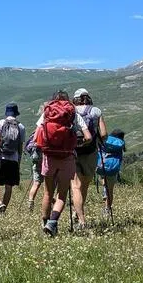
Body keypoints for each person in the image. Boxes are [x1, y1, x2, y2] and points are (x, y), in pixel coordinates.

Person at [33, 90, 91, 237]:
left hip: (49, 156)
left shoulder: (47, 113)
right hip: (67, 157)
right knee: (62, 195)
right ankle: (53, 222)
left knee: (47, 193)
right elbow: (88, 137)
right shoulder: (73, 113)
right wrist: (76, 144)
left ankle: (45, 224)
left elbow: (36, 136)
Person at [70, 88, 107, 230]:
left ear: (76, 99)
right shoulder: (96, 111)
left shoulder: (70, 111)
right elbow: (103, 134)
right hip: (90, 152)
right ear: (87, 98)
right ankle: (78, 214)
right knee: (84, 185)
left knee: (75, 187)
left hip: (73, 152)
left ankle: (80, 218)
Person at [0, 103, 24, 216]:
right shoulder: (21, 127)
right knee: (9, 187)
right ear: (16, 113)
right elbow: (20, 147)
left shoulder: (1, 123)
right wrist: (18, 162)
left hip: (0, 157)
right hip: (13, 159)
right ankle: (2, 211)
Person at [25, 134, 43, 212]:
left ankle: (30, 203)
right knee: (50, 183)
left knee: (36, 183)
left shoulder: (36, 132)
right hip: (47, 158)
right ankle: (52, 203)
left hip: (36, 158)